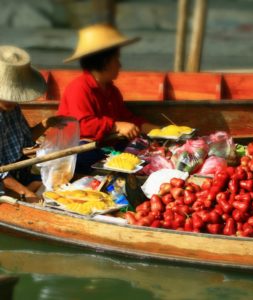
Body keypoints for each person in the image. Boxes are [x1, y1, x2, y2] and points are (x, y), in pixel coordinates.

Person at [58, 24, 157, 173]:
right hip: (81, 148)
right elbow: (83, 126)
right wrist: (116, 126)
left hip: (107, 146)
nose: (120, 65)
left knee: (146, 149)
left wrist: (158, 130)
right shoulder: (79, 87)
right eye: (116, 59)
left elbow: (127, 120)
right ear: (104, 62)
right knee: (83, 157)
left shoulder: (112, 90)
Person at [0, 45, 71, 199]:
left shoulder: (13, 108)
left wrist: (46, 123)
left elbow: (25, 139)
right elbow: (1, 173)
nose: (13, 100)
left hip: (18, 172)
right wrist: (26, 193)